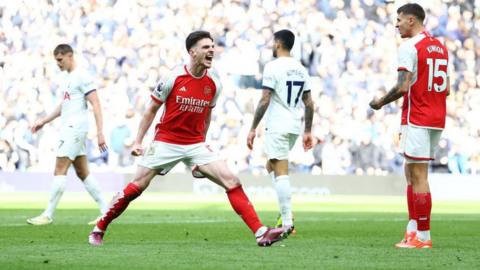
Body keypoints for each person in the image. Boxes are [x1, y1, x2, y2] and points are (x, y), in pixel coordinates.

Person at [88, 31, 284, 247]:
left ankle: (260, 232)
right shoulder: (173, 78)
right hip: (166, 141)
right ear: (192, 52)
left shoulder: (214, 84)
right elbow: (151, 110)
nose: (211, 50)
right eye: (205, 47)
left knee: (232, 181)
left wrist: (202, 144)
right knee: (137, 186)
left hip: (195, 144)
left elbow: (207, 115)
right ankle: (100, 227)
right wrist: (138, 141)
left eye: (212, 46)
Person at [369, 3, 449, 249]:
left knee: (418, 176)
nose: (397, 24)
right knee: (410, 172)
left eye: (399, 19)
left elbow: (403, 87)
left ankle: (423, 236)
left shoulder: (409, 47)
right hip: (436, 116)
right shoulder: (441, 47)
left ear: (412, 20)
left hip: (419, 117)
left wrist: (380, 102)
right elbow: (446, 88)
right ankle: (413, 228)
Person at [27, 44, 109, 225]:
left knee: (59, 169)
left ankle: (47, 215)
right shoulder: (68, 78)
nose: (58, 64)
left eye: (60, 60)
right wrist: (44, 121)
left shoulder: (82, 76)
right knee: (82, 172)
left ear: (70, 56)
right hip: (71, 128)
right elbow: (63, 106)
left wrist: (100, 132)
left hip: (74, 129)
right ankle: (106, 210)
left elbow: (95, 103)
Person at [246, 29, 315, 236]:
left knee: (281, 172)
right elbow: (309, 103)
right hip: (293, 126)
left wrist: (252, 128)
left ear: (278, 44)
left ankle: (287, 222)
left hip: (277, 125)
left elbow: (265, 99)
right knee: (271, 165)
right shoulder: (301, 69)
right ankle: (285, 215)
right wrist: (308, 130)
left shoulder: (272, 67)